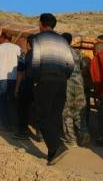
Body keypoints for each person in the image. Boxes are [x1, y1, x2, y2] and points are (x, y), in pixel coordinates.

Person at [29, 13, 74, 165]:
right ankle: (52, 153)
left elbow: (35, 63)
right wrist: (63, 77)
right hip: (61, 81)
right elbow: (71, 65)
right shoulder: (62, 40)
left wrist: (35, 79)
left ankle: (57, 147)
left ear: (41, 24)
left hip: (45, 80)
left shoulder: (38, 39)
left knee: (42, 115)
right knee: (54, 116)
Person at [61, 33, 88, 147]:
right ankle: (84, 133)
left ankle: (71, 139)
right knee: (79, 112)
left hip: (66, 85)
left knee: (67, 112)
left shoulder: (60, 53)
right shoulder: (77, 52)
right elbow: (84, 65)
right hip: (79, 85)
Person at [0, 32, 21, 131]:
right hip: (14, 78)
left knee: (2, 102)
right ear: (11, 38)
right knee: (12, 102)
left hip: (1, 78)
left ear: (2, 37)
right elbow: (21, 62)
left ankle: (6, 125)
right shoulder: (17, 48)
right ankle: (14, 123)